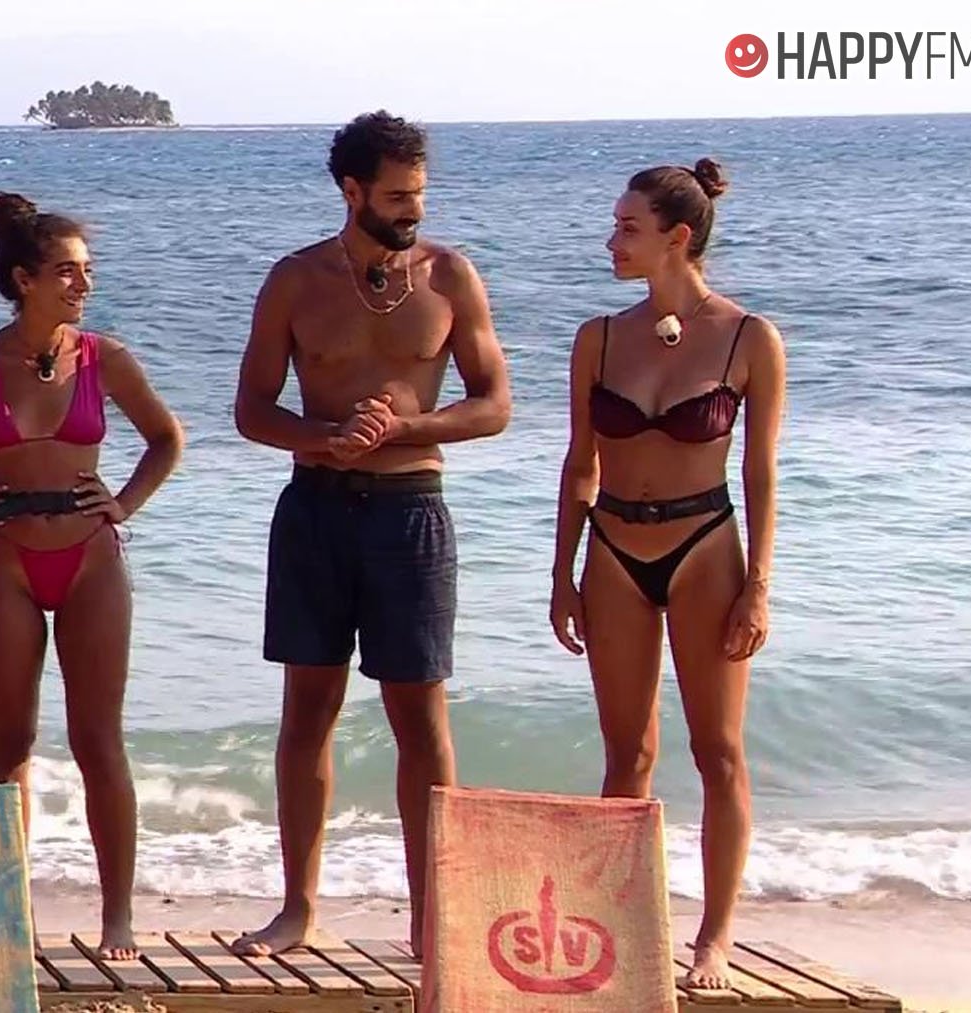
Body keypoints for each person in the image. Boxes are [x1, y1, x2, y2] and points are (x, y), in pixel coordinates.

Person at [230, 111, 511, 959]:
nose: (413, 209)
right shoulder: (295, 280)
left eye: (419, 193)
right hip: (315, 509)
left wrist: (406, 427)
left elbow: (494, 404)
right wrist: (326, 438)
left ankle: (432, 918)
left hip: (410, 510)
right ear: (352, 191)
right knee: (307, 711)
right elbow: (251, 410)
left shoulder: (450, 276)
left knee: (420, 717)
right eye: (395, 196)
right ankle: (297, 908)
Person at [0, 192, 184, 961]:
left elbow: (166, 439)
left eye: (86, 270)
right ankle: (8, 912)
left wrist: (123, 503)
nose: (83, 284)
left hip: (91, 557)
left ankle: (118, 916)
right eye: (67, 271)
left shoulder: (104, 357)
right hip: (5, 561)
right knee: (9, 739)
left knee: (99, 739)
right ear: (24, 279)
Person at [549, 158, 784, 990]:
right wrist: (562, 572)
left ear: (678, 237)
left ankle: (713, 937)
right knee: (627, 753)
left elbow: (760, 471)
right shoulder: (600, 337)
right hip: (614, 548)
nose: (611, 241)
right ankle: (619, 925)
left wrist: (758, 586)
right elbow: (581, 463)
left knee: (718, 751)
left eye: (628, 228)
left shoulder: (749, 338)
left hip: (705, 546)